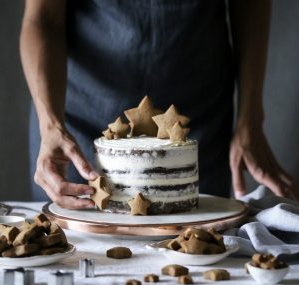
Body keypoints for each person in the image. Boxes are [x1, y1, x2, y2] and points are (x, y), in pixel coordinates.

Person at [20, 0, 299, 209]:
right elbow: (43, 18)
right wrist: (50, 123)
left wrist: (250, 119)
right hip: (80, 119)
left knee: (198, 254)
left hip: (197, 115)